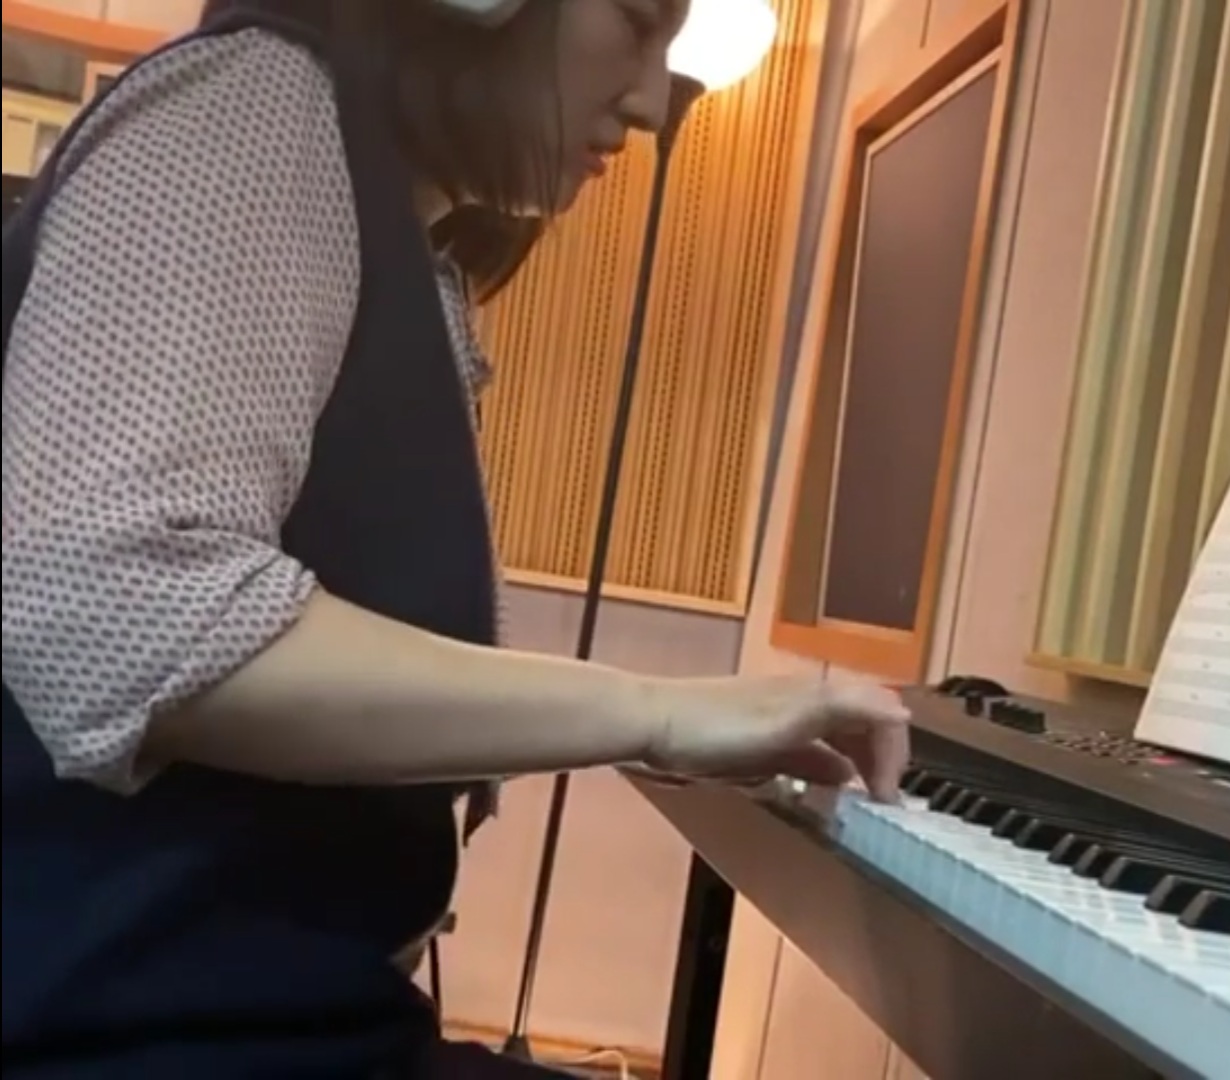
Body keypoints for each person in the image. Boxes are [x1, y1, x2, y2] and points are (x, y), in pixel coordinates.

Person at [0, 0, 910, 1076]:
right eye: (636, 21)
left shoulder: (375, 215)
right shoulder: (251, 107)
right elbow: (115, 598)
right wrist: (656, 712)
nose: (652, 101)